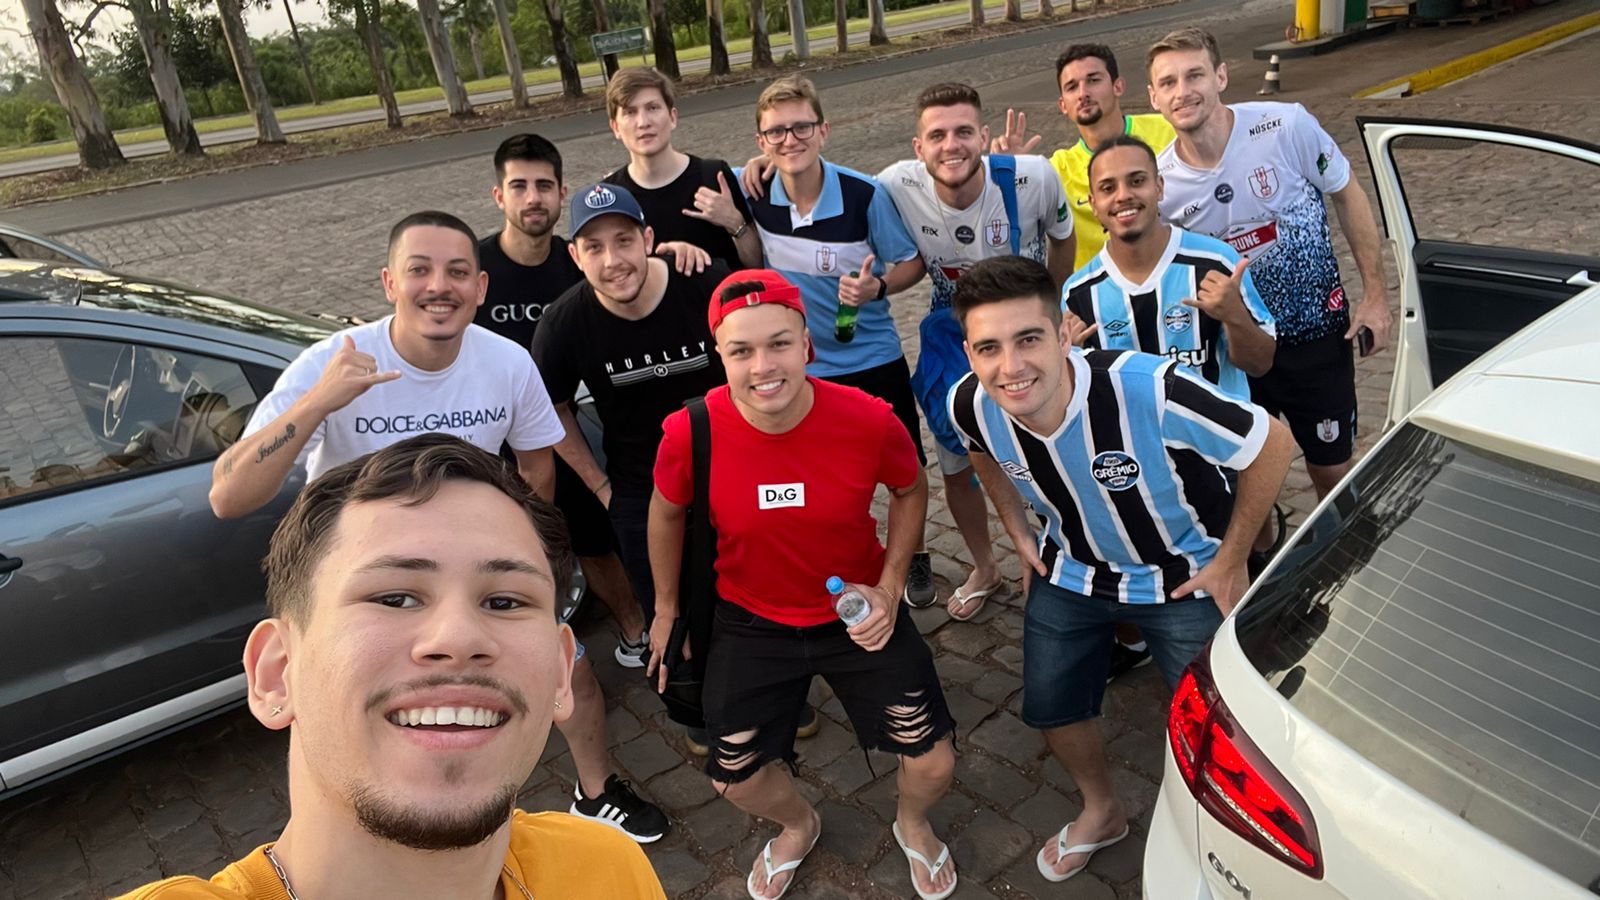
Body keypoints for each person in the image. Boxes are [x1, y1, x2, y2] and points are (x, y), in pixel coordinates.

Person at [210, 210, 668, 845]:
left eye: (456, 272)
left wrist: (527, 557)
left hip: (469, 572)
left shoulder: (505, 361)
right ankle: (353, 838)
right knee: (345, 713)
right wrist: (320, 402)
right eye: (418, 270)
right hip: (362, 583)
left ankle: (596, 792)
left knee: (572, 679)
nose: (438, 286)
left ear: (480, 288)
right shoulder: (336, 362)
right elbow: (228, 494)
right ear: (388, 282)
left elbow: (536, 463)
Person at [122, 434, 666, 899]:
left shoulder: (607, 868)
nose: (459, 638)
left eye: (504, 601)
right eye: (395, 598)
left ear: (560, 671)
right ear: (276, 673)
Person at [947, 256, 1293, 885]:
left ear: (1063, 334)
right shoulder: (969, 402)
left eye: (1028, 339)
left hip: (1182, 577)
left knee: (1226, 726)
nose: (1011, 366)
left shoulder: (1147, 387)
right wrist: (1018, 531)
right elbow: (980, 452)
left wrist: (1231, 558)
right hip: (1071, 572)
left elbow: (1270, 441)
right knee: (1052, 705)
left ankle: (1227, 837)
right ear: (969, 352)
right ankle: (1102, 811)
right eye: (988, 348)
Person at [648, 270, 959, 900]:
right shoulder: (689, 431)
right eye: (741, 350)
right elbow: (665, 511)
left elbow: (909, 488)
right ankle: (798, 823)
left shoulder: (868, 419)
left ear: (807, 344)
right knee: (732, 776)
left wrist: (891, 585)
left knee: (932, 757)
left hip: (856, 613)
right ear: (720, 355)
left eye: (779, 344)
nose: (763, 366)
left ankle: (912, 822)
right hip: (749, 619)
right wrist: (665, 607)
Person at [1146, 27, 1392, 512]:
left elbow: (1348, 194)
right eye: (1168, 83)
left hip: (1314, 335)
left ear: (1220, 76)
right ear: (1154, 98)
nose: (1183, 91)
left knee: (1332, 471)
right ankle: (1260, 557)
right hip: (1233, 353)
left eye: (1195, 75)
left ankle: (1352, 548)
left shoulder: (1285, 125)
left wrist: (1376, 296)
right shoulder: (1161, 185)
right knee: (1246, 484)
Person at [736, 74, 938, 607]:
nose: (790, 140)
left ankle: (915, 556)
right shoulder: (750, 188)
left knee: (905, 465)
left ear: (823, 130)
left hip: (871, 357)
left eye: (801, 127)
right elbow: (690, 178)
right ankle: (831, 560)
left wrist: (877, 288)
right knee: (813, 476)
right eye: (776, 132)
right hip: (802, 367)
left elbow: (912, 262)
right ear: (761, 141)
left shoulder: (864, 193)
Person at [876, 81, 1075, 621]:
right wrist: (766, 167)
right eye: (937, 135)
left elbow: (1063, 239)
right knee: (955, 459)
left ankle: (1063, 559)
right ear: (918, 147)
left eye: (963, 132)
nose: (951, 145)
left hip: (1025, 327)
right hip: (952, 331)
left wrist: (1054, 305)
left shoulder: (1033, 178)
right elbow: (827, 183)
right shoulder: (894, 184)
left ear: (984, 137)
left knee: (1050, 445)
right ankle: (986, 567)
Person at [478, 132, 651, 670]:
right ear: (499, 195)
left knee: (594, 537)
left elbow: (636, 282)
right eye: (520, 186)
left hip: (562, 425)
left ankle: (634, 626)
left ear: (561, 193)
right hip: (489, 437)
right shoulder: (475, 267)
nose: (533, 198)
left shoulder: (578, 262)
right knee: (502, 548)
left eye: (544, 186)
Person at [1063, 135, 1276, 402]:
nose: (1123, 195)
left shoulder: (1216, 262)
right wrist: (1068, 359)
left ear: (1159, 187)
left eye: (1137, 181)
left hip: (1218, 430)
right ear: (1094, 204)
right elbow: (1075, 396)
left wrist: (1235, 316)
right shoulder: (1077, 294)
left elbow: (1260, 364)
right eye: (1108, 188)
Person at [991, 43, 1177, 270]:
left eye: (1093, 80)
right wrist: (1014, 178)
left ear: (1118, 86)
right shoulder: (1057, 170)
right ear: (1063, 105)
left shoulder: (1170, 130)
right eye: (1072, 87)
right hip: (1099, 287)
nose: (1083, 94)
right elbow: (1011, 230)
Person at [603, 66, 764, 272]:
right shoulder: (611, 198)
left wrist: (735, 223)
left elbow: (757, 265)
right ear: (616, 127)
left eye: (653, 108)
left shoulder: (714, 176)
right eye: (630, 112)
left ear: (672, 117)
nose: (643, 122)